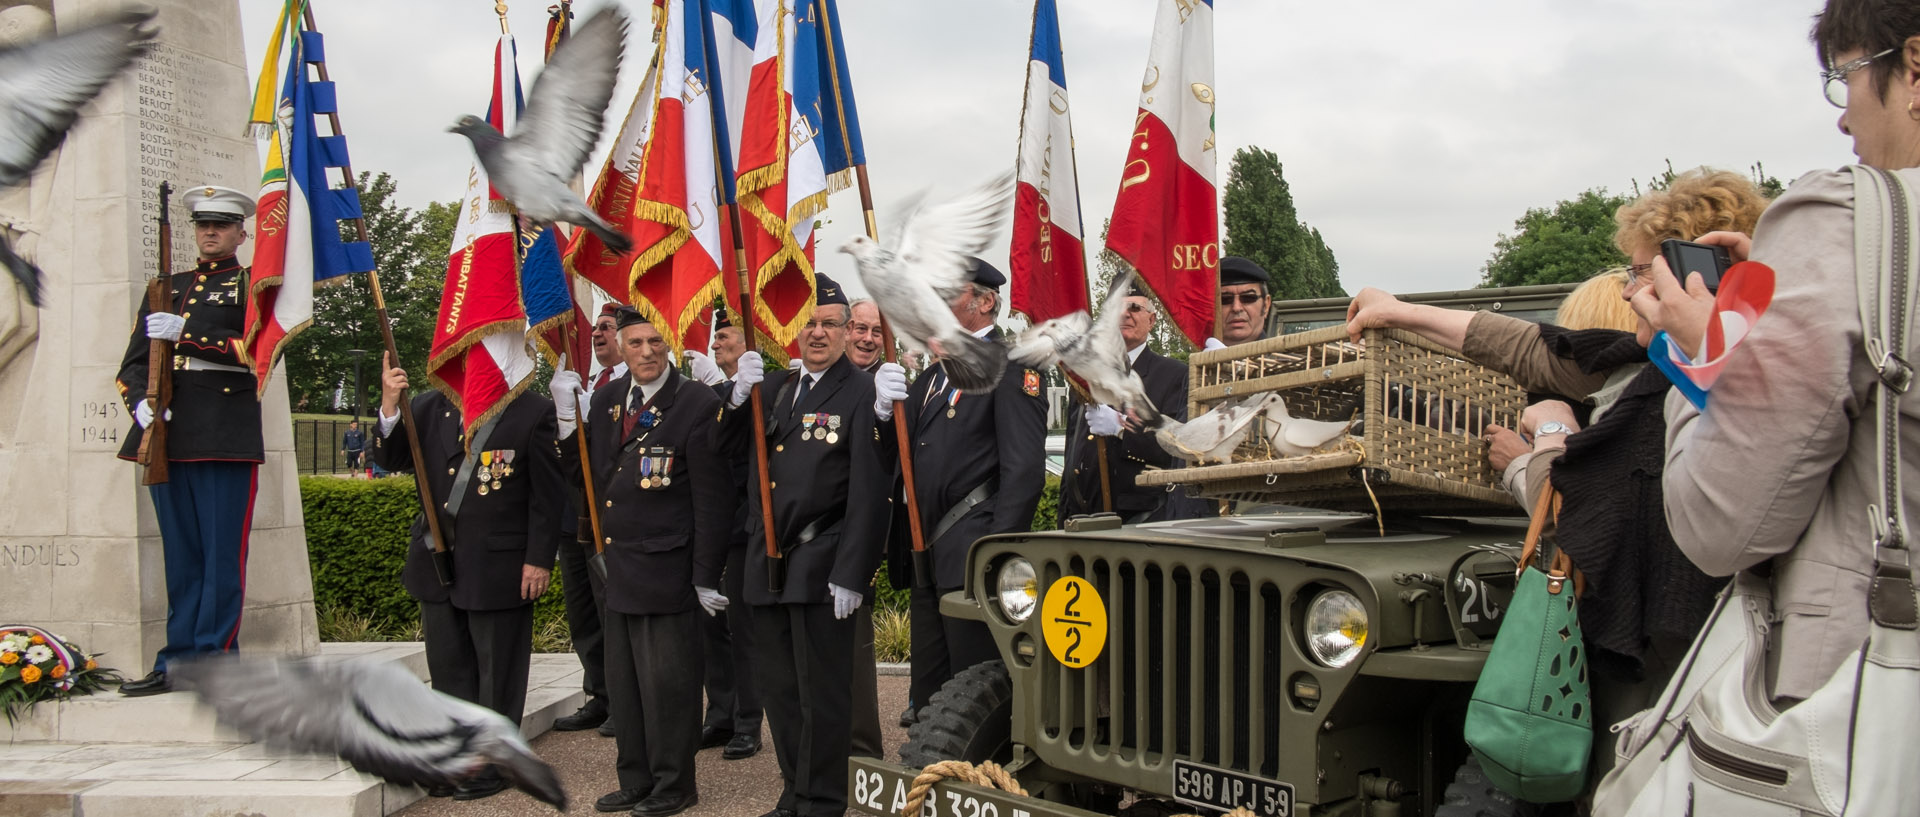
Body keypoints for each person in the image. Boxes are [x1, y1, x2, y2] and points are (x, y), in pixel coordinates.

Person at [1345, 166, 1769, 795]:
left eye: (1642, 274)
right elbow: (1537, 348)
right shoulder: (1660, 361)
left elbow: (1588, 510)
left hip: (1660, 671)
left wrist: (1545, 441)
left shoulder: (1690, 387)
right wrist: (1400, 312)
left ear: (1695, 278)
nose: (1628, 293)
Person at [1630, 0, 1920, 704]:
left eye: (1845, 77)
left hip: (1865, 704)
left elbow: (1720, 525)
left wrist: (1703, 352)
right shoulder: (1856, 260)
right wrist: (1810, 296)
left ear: (1914, 63)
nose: (1844, 116)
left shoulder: (1846, 217)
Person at [718, 274, 904, 817]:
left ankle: (823, 799)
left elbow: (874, 489)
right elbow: (719, 449)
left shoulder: (867, 390)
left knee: (822, 694)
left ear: (849, 333)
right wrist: (734, 394)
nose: (817, 333)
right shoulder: (772, 387)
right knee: (780, 691)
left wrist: (854, 571)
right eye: (809, 322)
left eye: (830, 324)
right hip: (768, 562)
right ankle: (793, 789)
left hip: (822, 562)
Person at [371, 353, 563, 801]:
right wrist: (388, 403)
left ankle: (494, 763)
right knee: (449, 669)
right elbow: (391, 457)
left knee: (497, 671)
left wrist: (539, 558)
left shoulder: (531, 410)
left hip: (500, 565)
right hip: (438, 561)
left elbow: (547, 496)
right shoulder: (426, 406)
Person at [564, 308, 732, 817]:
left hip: (667, 571)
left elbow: (712, 498)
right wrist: (565, 423)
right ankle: (635, 778)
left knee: (669, 687)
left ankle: (675, 784)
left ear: (669, 345)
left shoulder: (696, 402)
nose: (645, 351)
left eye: (655, 341)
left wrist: (705, 576)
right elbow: (587, 477)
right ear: (622, 344)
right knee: (626, 685)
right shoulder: (610, 399)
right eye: (634, 342)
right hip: (617, 570)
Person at [114, 184, 266, 697]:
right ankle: (175, 661)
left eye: (221, 225)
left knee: (222, 558)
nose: (210, 232)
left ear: (241, 233)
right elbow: (133, 364)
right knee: (181, 558)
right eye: (203, 225)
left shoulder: (253, 287)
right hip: (168, 436)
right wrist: (139, 402)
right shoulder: (168, 286)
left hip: (224, 435)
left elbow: (256, 353)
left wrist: (188, 330)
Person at [894, 258, 1046, 725]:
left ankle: (977, 778)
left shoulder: (1009, 365)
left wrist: (994, 555)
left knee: (973, 689)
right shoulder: (935, 375)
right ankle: (932, 768)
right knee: (931, 688)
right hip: (930, 552)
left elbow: (1023, 471)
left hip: (972, 549)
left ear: (984, 302)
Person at [687, 308, 765, 761]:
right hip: (707, 525)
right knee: (710, 627)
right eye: (714, 337)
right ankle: (719, 715)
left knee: (742, 628)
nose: (715, 343)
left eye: (725, 335)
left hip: (741, 526)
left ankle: (749, 721)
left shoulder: (762, 391)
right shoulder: (707, 395)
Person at [1058, 286, 1205, 523]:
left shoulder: (1176, 376)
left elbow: (1178, 449)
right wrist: (1064, 516)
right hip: (1082, 521)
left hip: (1143, 522)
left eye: (1135, 308)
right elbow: (1071, 459)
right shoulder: (1087, 377)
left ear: (1152, 319)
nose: (1125, 315)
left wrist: (1121, 429)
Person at [551, 302, 625, 736]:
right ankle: (598, 695)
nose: (597, 335)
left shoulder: (629, 389)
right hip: (573, 516)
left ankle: (622, 701)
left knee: (612, 614)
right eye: (594, 328)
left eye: (608, 328)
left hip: (610, 520)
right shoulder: (580, 383)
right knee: (583, 617)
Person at [1205, 256, 1273, 349]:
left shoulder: (1293, 362)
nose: (1236, 308)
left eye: (1248, 298)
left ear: (1266, 305)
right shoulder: (1194, 363)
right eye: (1225, 300)